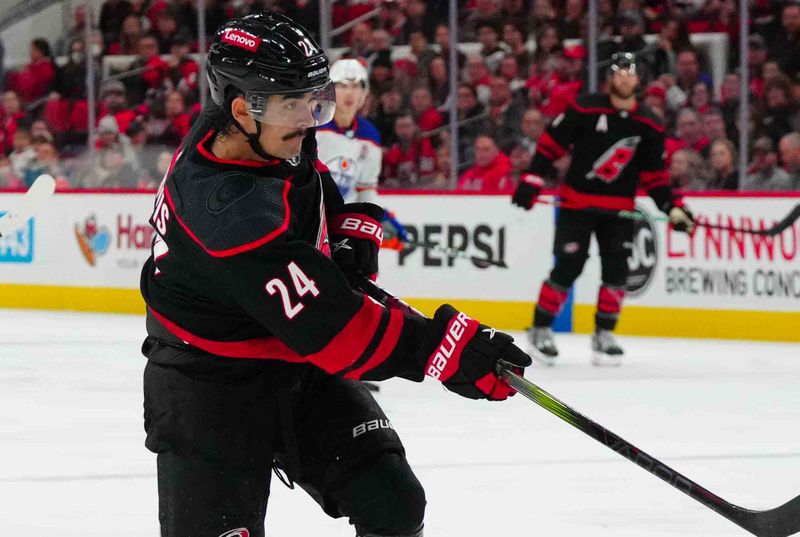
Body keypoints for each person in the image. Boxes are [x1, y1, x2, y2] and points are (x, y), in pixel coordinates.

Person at [139, 12, 531, 537]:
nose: (310, 119)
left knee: (393, 501)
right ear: (241, 107)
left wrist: (341, 222)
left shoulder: (263, 132)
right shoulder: (229, 213)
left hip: (295, 364)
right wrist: (445, 350)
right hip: (209, 386)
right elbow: (338, 331)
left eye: (312, 101)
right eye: (294, 105)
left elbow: (310, 176)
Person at [511, 52, 695, 366]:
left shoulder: (649, 122)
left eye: (630, 73)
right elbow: (550, 144)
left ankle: (604, 333)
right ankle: (541, 327)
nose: (625, 78)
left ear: (638, 80)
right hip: (576, 204)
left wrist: (673, 207)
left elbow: (655, 177)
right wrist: (531, 179)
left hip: (619, 210)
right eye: (619, 73)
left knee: (617, 272)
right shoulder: (585, 107)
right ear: (610, 78)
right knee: (569, 266)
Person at [316, 59, 382, 203]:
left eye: (355, 86)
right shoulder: (312, 126)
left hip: (344, 217)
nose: (350, 93)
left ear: (364, 91)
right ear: (329, 89)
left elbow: (366, 188)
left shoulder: (370, 134)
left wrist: (368, 215)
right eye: (343, 86)